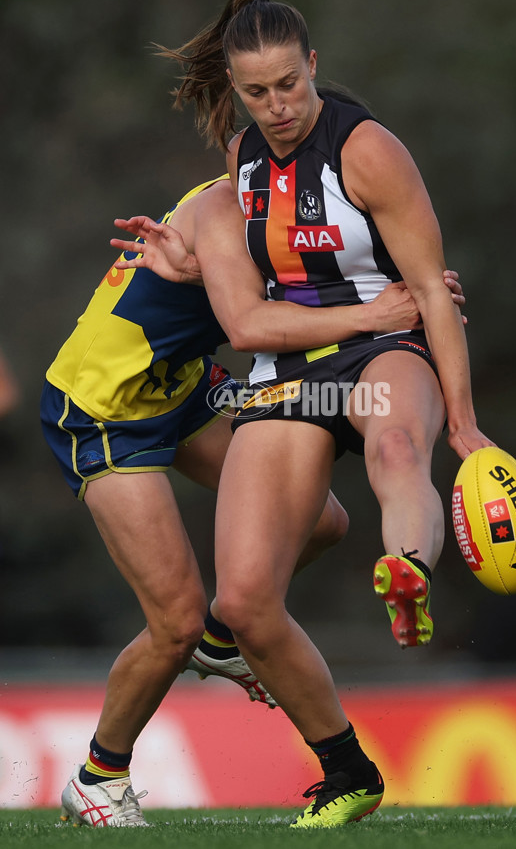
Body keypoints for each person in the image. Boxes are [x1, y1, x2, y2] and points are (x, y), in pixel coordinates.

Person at [113, 0, 493, 828]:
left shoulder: (367, 150)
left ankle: (410, 572)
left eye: (289, 83)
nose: (277, 105)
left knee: (399, 448)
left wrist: (463, 424)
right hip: (293, 370)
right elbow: (246, 305)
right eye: (257, 92)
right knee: (242, 603)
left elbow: (431, 291)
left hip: (386, 346)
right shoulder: (242, 161)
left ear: (313, 65)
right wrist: (189, 264)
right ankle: (348, 771)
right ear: (237, 91)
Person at [42, 173, 459, 827]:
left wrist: (427, 292)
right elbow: (254, 323)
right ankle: (100, 777)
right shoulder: (230, 209)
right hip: (105, 408)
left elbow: (337, 274)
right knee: (173, 621)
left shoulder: (298, 205)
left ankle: (222, 636)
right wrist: (381, 313)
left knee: (322, 521)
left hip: (186, 387)